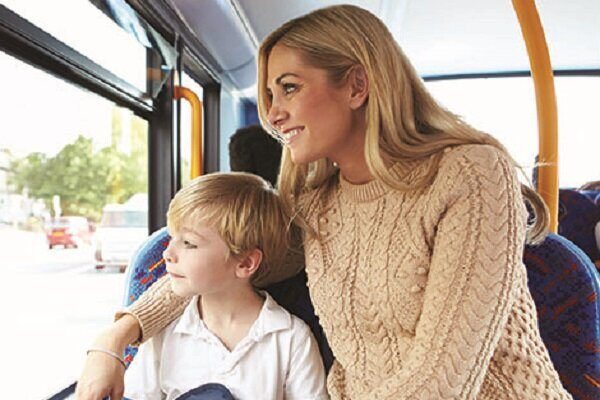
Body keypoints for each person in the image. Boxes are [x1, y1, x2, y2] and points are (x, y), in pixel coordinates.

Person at [77, 5, 573, 399]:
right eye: (269, 94)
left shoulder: (469, 173)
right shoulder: (318, 207)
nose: (273, 114)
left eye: (289, 88)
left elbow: (443, 380)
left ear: (357, 85)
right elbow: (220, 265)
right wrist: (115, 340)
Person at [123, 172, 328, 399]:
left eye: (189, 243)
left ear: (245, 263)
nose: (167, 253)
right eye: (172, 238)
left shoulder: (290, 338)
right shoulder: (164, 332)